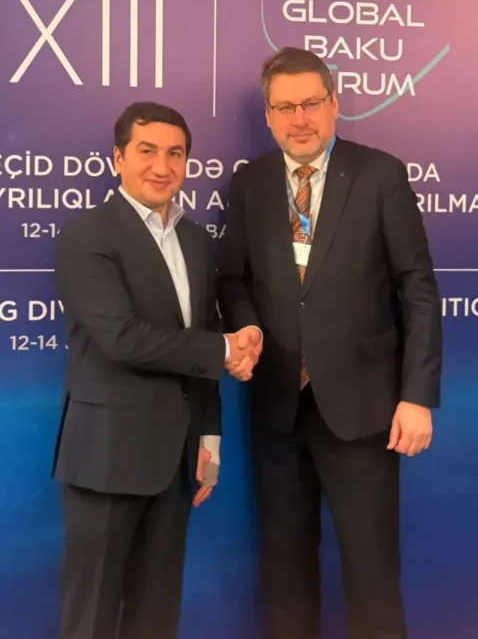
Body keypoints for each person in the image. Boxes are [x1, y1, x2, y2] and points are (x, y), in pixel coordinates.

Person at [216, 47, 443, 639]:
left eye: (311, 103)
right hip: (277, 410)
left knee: (372, 577)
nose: (300, 119)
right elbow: (230, 278)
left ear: (335, 104)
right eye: (284, 107)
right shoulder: (250, 183)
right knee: (285, 578)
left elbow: (417, 288)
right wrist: (246, 324)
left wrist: (417, 395)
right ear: (268, 115)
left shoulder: (380, 175)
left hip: (365, 412)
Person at [51, 101, 260, 639]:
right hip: (106, 460)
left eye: (175, 153)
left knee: (156, 617)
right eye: (147, 151)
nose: (162, 166)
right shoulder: (87, 235)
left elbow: (203, 335)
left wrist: (209, 438)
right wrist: (224, 350)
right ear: (118, 157)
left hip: (176, 463)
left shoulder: (197, 241)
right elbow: (122, 339)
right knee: (90, 619)